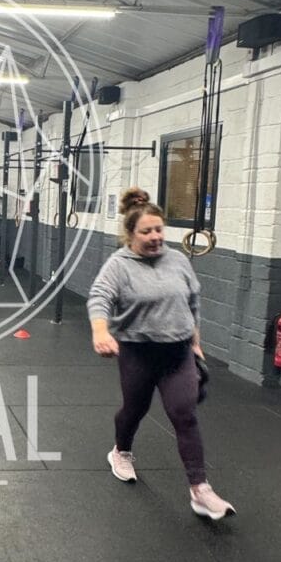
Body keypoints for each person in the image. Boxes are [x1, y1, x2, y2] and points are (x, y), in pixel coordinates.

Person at [87, 187, 235, 521]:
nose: (155, 236)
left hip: (177, 353)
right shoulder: (119, 265)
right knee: (135, 409)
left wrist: (195, 342)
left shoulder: (178, 260)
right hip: (138, 353)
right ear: (130, 233)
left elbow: (192, 302)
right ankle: (121, 451)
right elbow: (99, 297)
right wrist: (100, 330)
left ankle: (200, 490)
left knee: (184, 414)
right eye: (146, 231)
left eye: (159, 229)